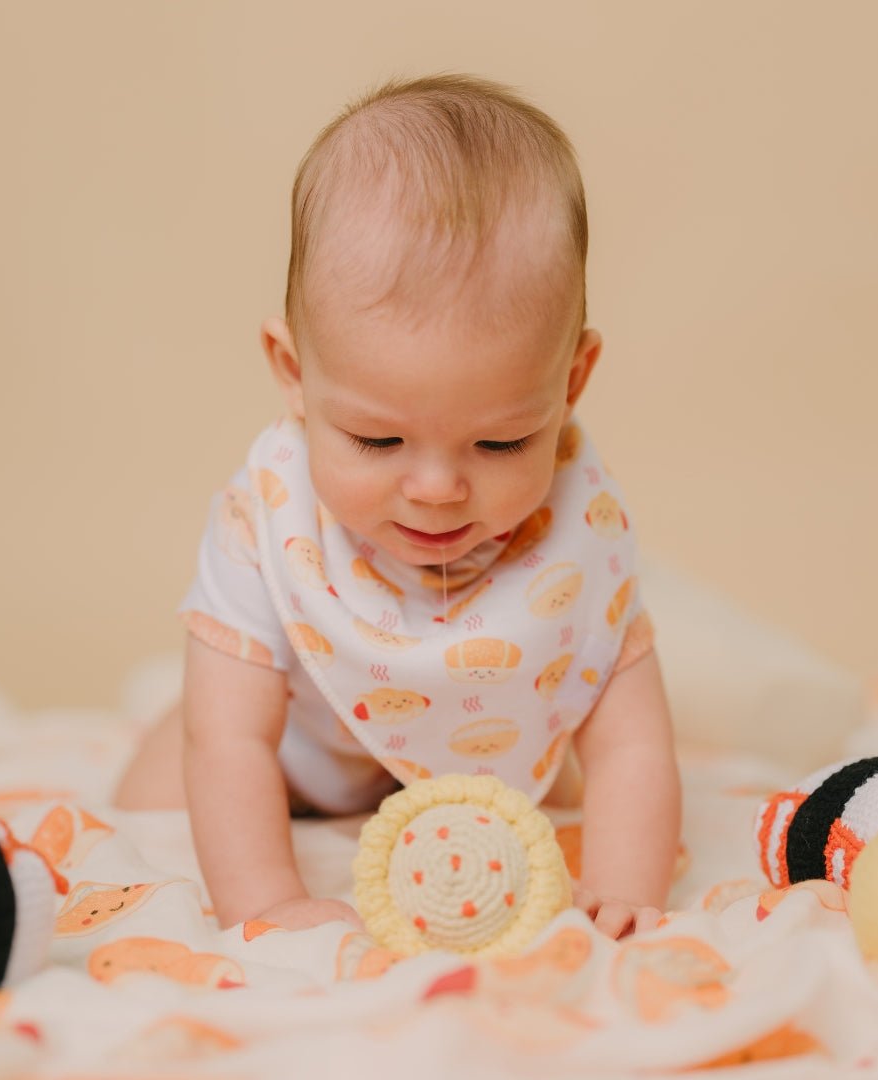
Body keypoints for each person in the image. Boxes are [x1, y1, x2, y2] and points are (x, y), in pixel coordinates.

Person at [115, 74, 681, 941]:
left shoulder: (580, 529)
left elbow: (631, 742)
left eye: (500, 444)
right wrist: (267, 905)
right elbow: (230, 744)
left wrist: (625, 890)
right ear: (295, 373)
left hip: (485, 756)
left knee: (571, 788)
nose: (437, 489)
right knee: (149, 801)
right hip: (304, 754)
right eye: (378, 442)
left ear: (570, 384)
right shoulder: (267, 523)